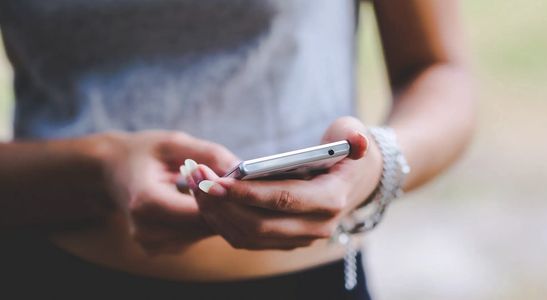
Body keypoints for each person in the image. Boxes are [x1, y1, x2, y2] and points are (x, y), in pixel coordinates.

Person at [0, 0, 474, 299]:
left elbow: (439, 71)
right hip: (54, 272)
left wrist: (379, 165)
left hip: (310, 283)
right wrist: (99, 167)